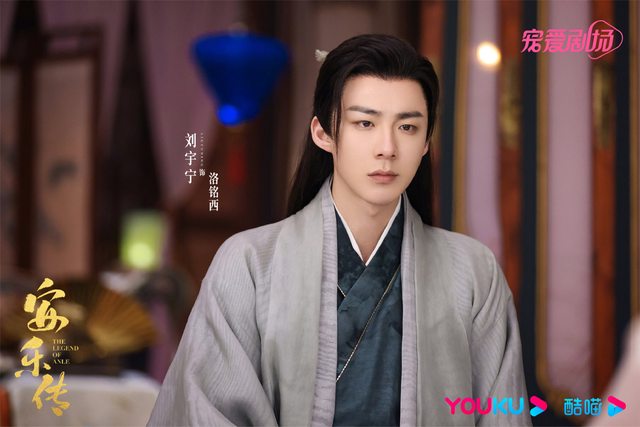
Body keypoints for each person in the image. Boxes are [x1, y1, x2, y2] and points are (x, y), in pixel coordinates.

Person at [148, 34, 531, 426]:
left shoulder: (473, 271)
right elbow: (207, 410)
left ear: (425, 142)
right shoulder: (249, 263)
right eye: (365, 123)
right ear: (323, 133)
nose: (387, 148)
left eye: (408, 127)